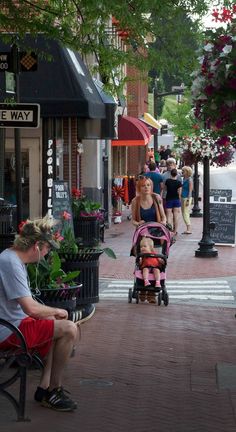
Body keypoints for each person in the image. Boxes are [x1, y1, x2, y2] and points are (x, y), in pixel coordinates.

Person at [0, 216, 78, 412]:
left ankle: (45, 389)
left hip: (12, 324)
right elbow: (30, 308)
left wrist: (51, 315)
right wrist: (59, 310)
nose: (46, 254)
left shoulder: (11, 259)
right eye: (47, 249)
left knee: (51, 322)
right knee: (69, 329)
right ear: (36, 246)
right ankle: (54, 389)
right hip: (8, 330)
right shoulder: (10, 262)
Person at [164, 168, 182, 236]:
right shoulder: (179, 183)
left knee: (168, 216)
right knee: (176, 216)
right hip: (176, 200)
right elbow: (179, 193)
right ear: (176, 174)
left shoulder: (167, 181)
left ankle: (169, 230)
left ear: (170, 174)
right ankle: (175, 231)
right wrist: (179, 200)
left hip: (169, 199)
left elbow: (165, 189)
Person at [181, 166, 193, 234]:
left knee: (185, 213)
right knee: (183, 213)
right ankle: (187, 228)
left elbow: (190, 190)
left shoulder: (189, 179)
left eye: (184, 171)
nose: (183, 172)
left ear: (187, 172)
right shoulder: (184, 178)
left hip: (186, 197)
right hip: (183, 197)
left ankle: (188, 228)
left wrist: (188, 200)